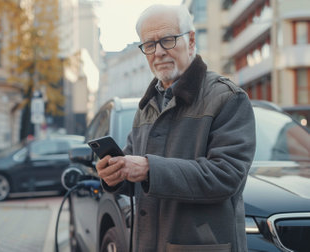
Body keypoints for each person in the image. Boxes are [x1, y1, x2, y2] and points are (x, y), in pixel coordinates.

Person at [96, 4, 256, 252]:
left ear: (191, 41)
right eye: (149, 45)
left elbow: (227, 176)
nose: (158, 52)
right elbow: (136, 172)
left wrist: (149, 168)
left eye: (167, 40)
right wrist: (115, 175)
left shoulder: (227, 97)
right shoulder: (148, 105)